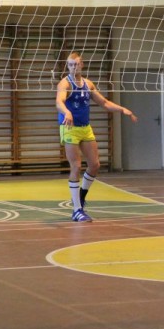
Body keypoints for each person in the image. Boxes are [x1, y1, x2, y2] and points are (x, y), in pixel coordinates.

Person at [56, 51, 138, 222]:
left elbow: (104, 103)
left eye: (76, 64)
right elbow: (59, 102)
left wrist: (122, 109)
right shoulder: (65, 83)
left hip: (85, 128)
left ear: (82, 64)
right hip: (69, 128)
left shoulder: (88, 84)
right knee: (76, 166)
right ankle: (77, 210)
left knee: (94, 165)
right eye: (70, 65)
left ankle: (81, 197)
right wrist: (66, 112)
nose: (73, 67)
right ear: (67, 66)